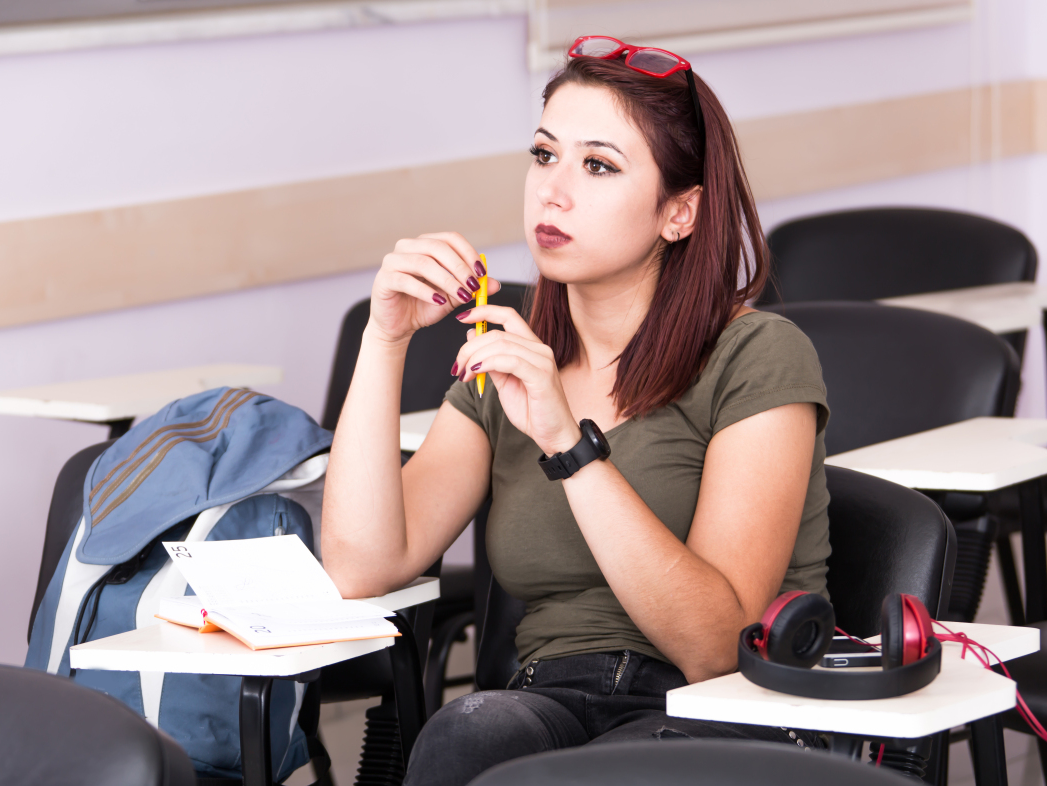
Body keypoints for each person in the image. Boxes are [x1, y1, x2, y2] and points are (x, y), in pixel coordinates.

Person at [320, 39, 831, 785]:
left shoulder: (757, 355)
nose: (552, 193)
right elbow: (361, 568)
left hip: (722, 712)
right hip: (550, 698)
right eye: (543, 155)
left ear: (680, 213)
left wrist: (568, 443)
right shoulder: (515, 356)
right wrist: (385, 337)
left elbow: (717, 646)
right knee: (462, 735)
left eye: (597, 166)